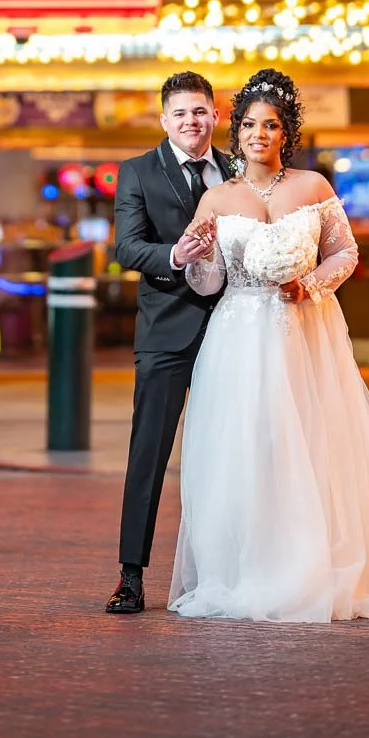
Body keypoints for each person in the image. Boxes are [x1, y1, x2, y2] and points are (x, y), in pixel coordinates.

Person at [168, 68, 369, 623]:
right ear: (237, 132)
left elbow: (344, 254)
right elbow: (206, 283)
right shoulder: (217, 197)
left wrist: (311, 284)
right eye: (249, 124)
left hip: (304, 333)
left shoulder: (315, 188)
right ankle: (250, 567)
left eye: (271, 124)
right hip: (238, 338)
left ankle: (313, 564)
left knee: (311, 443)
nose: (259, 134)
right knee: (249, 448)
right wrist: (195, 253)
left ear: (286, 132)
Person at [105, 72, 233, 614]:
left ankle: (231, 572)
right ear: (164, 120)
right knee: (149, 453)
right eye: (180, 113)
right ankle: (130, 575)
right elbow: (127, 248)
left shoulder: (237, 171)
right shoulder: (136, 172)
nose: (191, 121)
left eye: (200, 111)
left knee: (234, 453)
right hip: (165, 332)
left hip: (234, 329)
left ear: (215, 115)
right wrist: (174, 257)